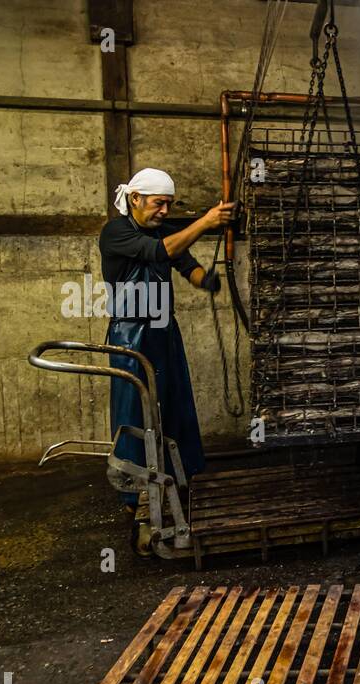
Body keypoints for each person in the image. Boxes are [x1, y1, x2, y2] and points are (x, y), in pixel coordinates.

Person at [98, 168, 234, 521]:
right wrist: (205, 222)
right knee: (135, 411)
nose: (164, 211)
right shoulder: (116, 232)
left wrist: (210, 280)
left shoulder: (164, 231)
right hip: (131, 336)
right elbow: (159, 252)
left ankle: (179, 476)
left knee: (174, 402)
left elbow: (185, 264)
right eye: (159, 203)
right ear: (135, 199)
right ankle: (135, 494)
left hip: (163, 331)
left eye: (169, 205)